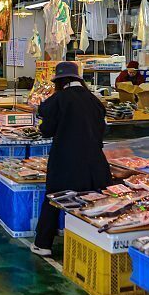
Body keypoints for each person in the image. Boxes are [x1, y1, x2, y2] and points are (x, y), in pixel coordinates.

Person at [31, 62, 112, 257]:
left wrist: (41, 127)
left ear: (60, 81)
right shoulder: (94, 100)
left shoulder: (59, 98)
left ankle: (43, 244)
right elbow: (103, 130)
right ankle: (91, 243)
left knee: (53, 200)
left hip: (65, 161)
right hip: (95, 162)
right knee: (91, 202)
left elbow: (47, 128)